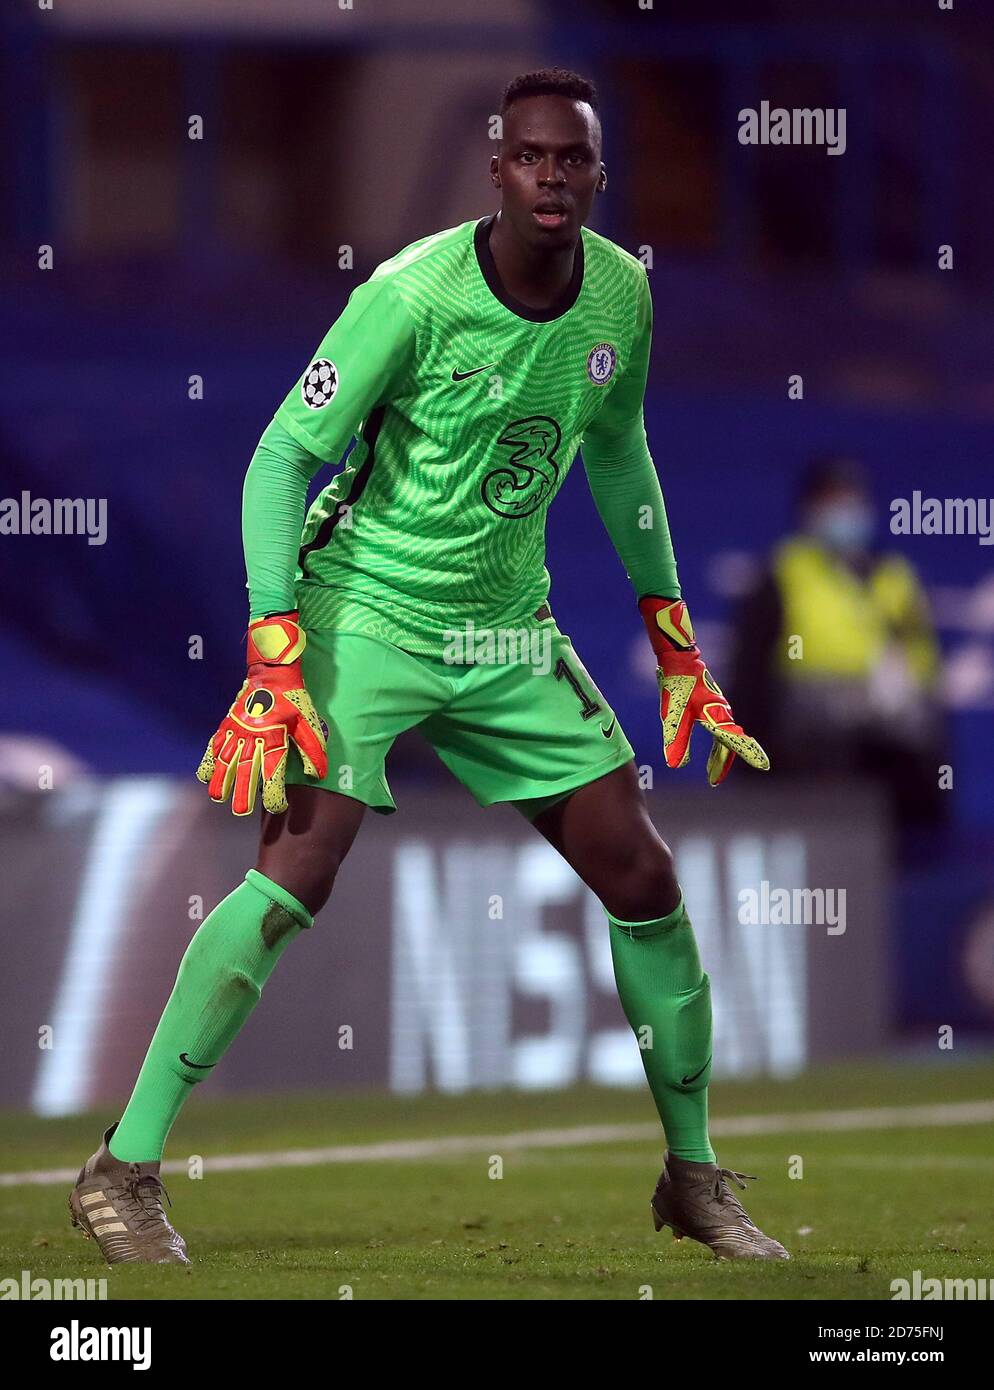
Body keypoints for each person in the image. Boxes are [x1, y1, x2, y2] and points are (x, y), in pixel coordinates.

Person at [69, 68, 787, 1266]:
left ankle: (695, 1177)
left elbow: (620, 458)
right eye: (533, 158)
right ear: (497, 167)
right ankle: (122, 1168)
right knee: (299, 869)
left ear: (599, 179)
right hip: (369, 613)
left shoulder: (621, 298)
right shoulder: (410, 293)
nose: (553, 178)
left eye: (576, 161)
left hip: (508, 630)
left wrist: (671, 638)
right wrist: (275, 644)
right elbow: (278, 458)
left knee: (640, 873)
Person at [727, 457, 945, 847]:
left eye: (852, 499)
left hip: (889, 745)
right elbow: (750, 682)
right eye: (832, 500)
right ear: (808, 509)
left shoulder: (896, 578)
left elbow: (926, 672)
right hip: (810, 746)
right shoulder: (782, 574)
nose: (844, 512)